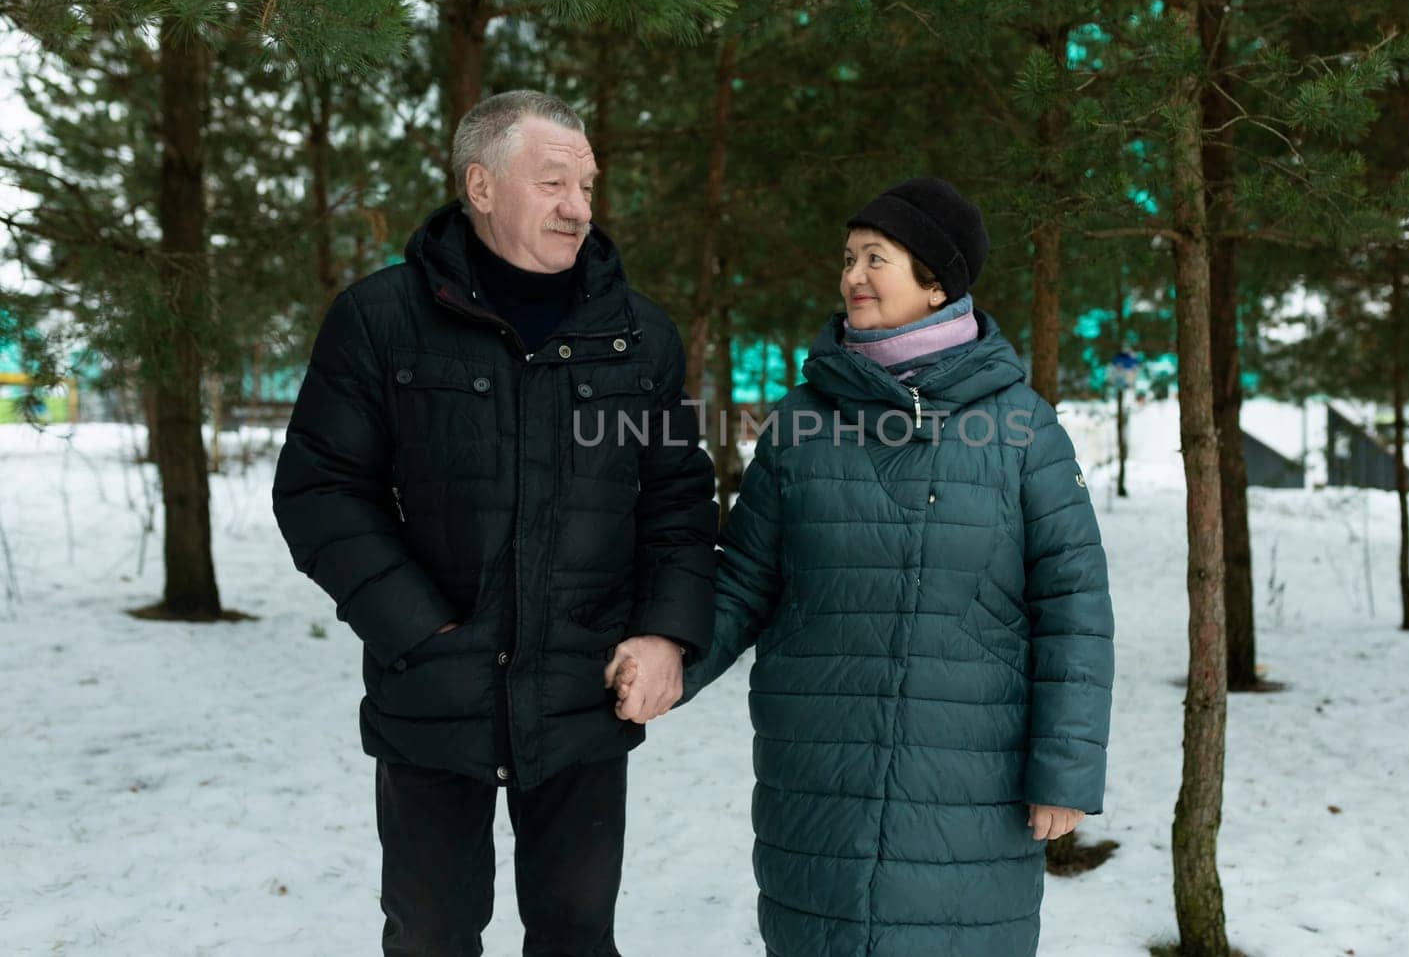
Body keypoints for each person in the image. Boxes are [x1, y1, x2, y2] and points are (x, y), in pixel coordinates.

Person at [614, 177, 1114, 956]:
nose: (851, 275)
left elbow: (1075, 603)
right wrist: (669, 657)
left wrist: (1066, 769)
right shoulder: (800, 422)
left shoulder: (1022, 430)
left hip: (969, 782)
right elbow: (745, 578)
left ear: (937, 282)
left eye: (875, 258)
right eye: (847, 257)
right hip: (819, 774)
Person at [272, 89, 716, 956]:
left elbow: (677, 499)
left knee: (577, 933)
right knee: (431, 933)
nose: (579, 207)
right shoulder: (381, 320)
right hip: (435, 693)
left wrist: (665, 634)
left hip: (584, 694)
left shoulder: (638, 338)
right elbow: (320, 489)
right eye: (553, 182)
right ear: (480, 185)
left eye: (587, 185)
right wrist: (420, 628)